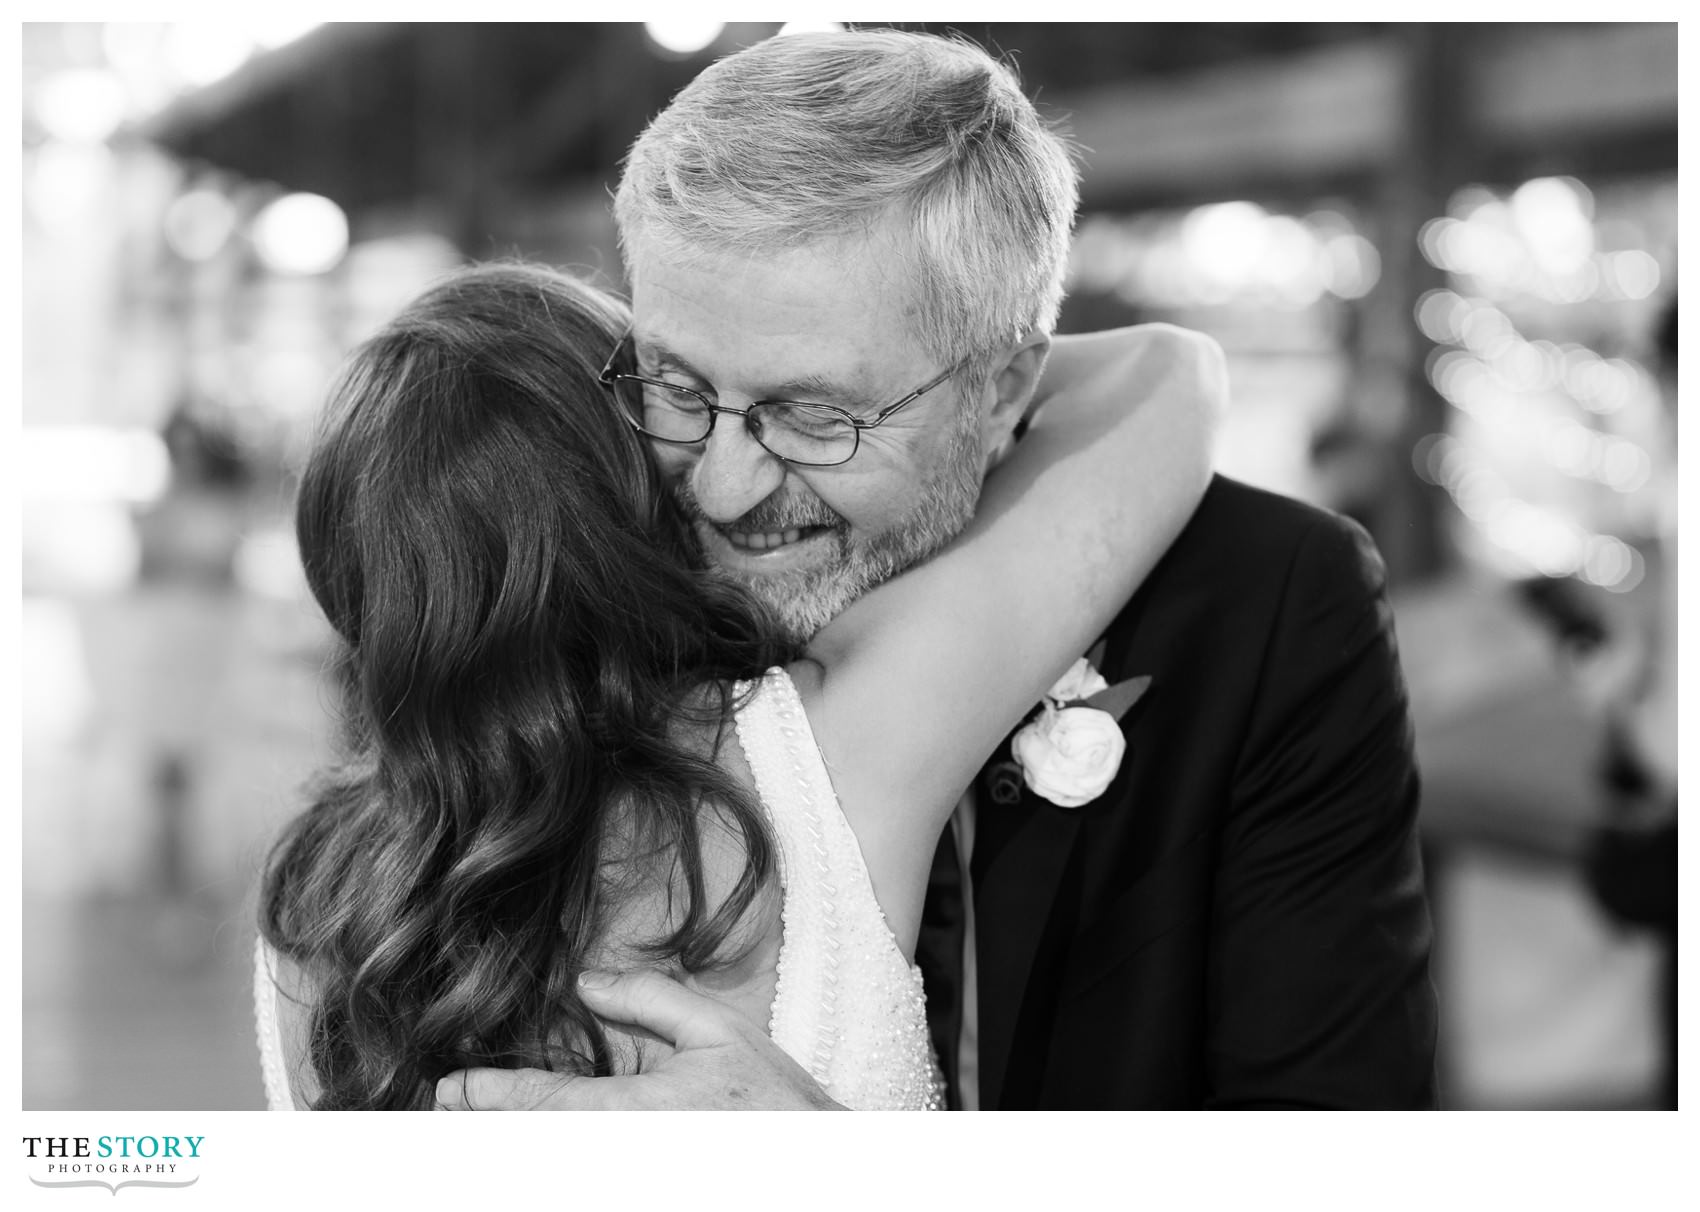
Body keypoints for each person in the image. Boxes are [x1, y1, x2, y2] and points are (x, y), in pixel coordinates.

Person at [439, 29, 1438, 1111]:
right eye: (676, 385)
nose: (720, 491)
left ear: (1003, 389)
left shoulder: (1265, 603)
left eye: (812, 416)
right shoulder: (584, 579)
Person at [252, 256, 1220, 1108]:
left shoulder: (316, 905)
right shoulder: (831, 746)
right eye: (677, 398)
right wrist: (820, 380)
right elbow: (1167, 377)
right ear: (630, 492)